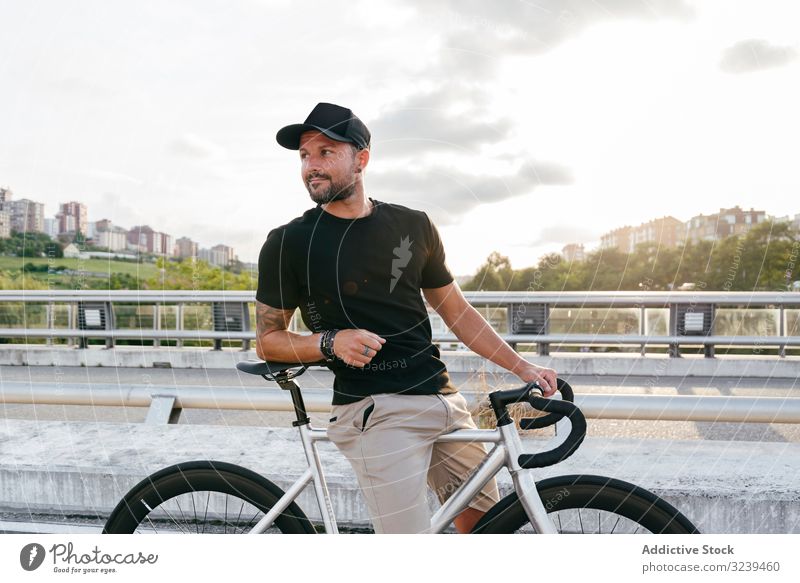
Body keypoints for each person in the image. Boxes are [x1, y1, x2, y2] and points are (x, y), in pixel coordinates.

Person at [255, 102, 558, 534]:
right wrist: (329, 341)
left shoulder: (413, 225)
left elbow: (457, 311)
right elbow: (268, 339)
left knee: (488, 530)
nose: (311, 166)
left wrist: (524, 366)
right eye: (305, 155)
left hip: (443, 401)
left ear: (361, 159)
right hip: (374, 412)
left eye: (326, 152)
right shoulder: (288, 242)